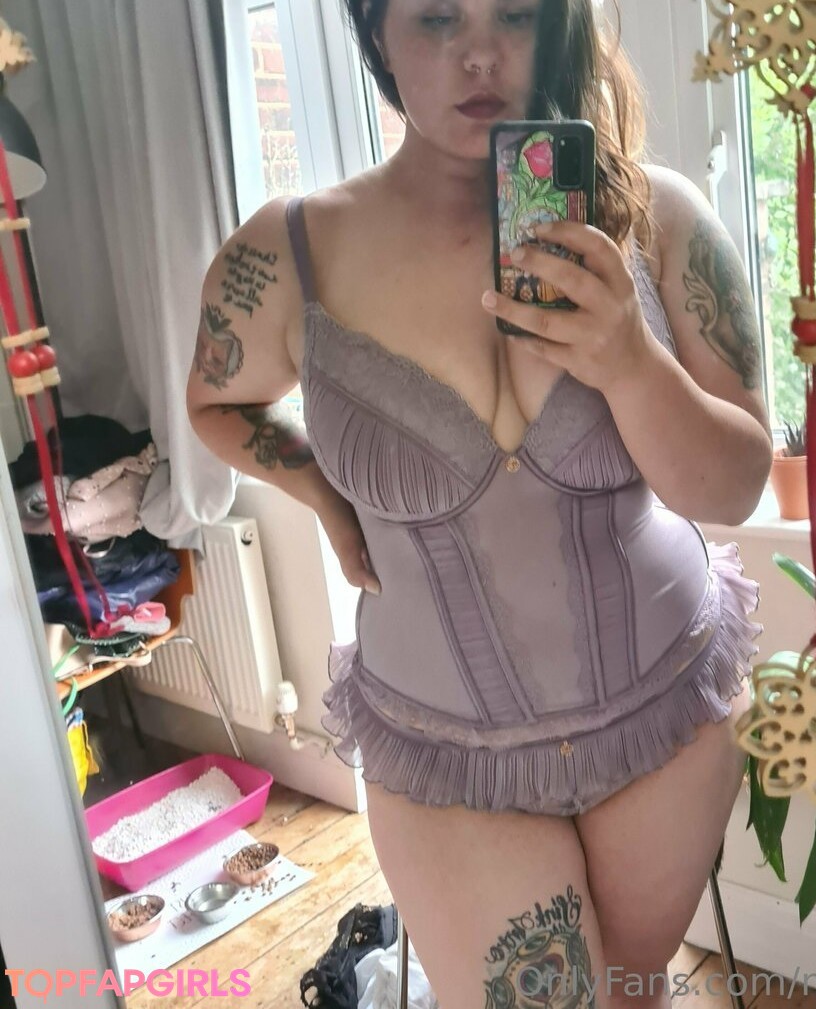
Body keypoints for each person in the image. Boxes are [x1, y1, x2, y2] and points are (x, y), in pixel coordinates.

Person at [187, 2, 774, 1008]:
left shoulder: (659, 221)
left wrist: (630, 364)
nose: (480, 53)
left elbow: (737, 483)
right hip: (444, 753)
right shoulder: (290, 252)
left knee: (632, 995)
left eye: (514, 13)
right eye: (434, 19)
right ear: (375, 34)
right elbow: (214, 401)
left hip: (663, 714)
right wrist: (321, 490)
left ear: (556, 26)